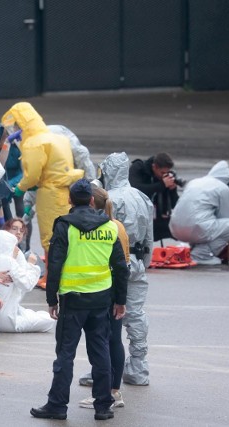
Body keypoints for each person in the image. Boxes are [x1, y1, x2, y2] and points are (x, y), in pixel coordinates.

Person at [31, 179, 128, 421]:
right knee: (100, 353)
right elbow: (120, 267)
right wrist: (120, 300)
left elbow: (54, 264)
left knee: (65, 354)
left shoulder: (65, 225)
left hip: (72, 301)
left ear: (70, 200)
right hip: (101, 300)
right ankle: (104, 406)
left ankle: (57, 405)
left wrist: (51, 298)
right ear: (93, 200)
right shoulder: (110, 227)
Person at [1, 102, 84, 255]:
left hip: (50, 197)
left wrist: (20, 188)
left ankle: (51, 275)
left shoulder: (34, 143)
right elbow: (50, 172)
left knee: (51, 237)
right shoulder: (58, 138)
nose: (14, 130)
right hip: (64, 194)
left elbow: (33, 176)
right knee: (65, 235)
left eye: (16, 126)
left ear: (22, 124)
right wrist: (30, 199)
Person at [99, 153, 154, 386]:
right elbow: (150, 235)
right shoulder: (141, 197)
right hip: (138, 260)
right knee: (135, 315)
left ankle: (103, 368)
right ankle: (138, 367)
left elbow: (102, 235)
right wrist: (145, 261)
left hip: (113, 263)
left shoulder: (108, 198)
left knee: (106, 317)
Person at [78, 184, 130, 409]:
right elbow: (124, 264)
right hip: (114, 289)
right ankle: (113, 391)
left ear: (90, 202)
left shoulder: (99, 227)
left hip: (101, 290)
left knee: (101, 343)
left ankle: (106, 393)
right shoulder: (117, 225)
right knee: (113, 340)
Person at [169, 161, 229, 265]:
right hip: (196, 229)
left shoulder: (194, 181)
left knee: (205, 222)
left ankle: (194, 252)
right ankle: (201, 255)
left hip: (175, 228)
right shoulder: (222, 187)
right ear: (227, 180)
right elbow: (227, 217)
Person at [0, 229, 54, 333]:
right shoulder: (9, 261)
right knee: (49, 320)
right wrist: (32, 264)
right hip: (6, 319)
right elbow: (27, 284)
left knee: (32, 314)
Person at [129, 152, 180, 241]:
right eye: (162, 172)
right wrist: (162, 185)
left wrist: (172, 190)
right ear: (154, 167)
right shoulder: (138, 168)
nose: (164, 175)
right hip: (139, 221)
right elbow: (135, 190)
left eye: (167, 172)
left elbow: (174, 205)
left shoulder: (165, 177)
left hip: (160, 223)